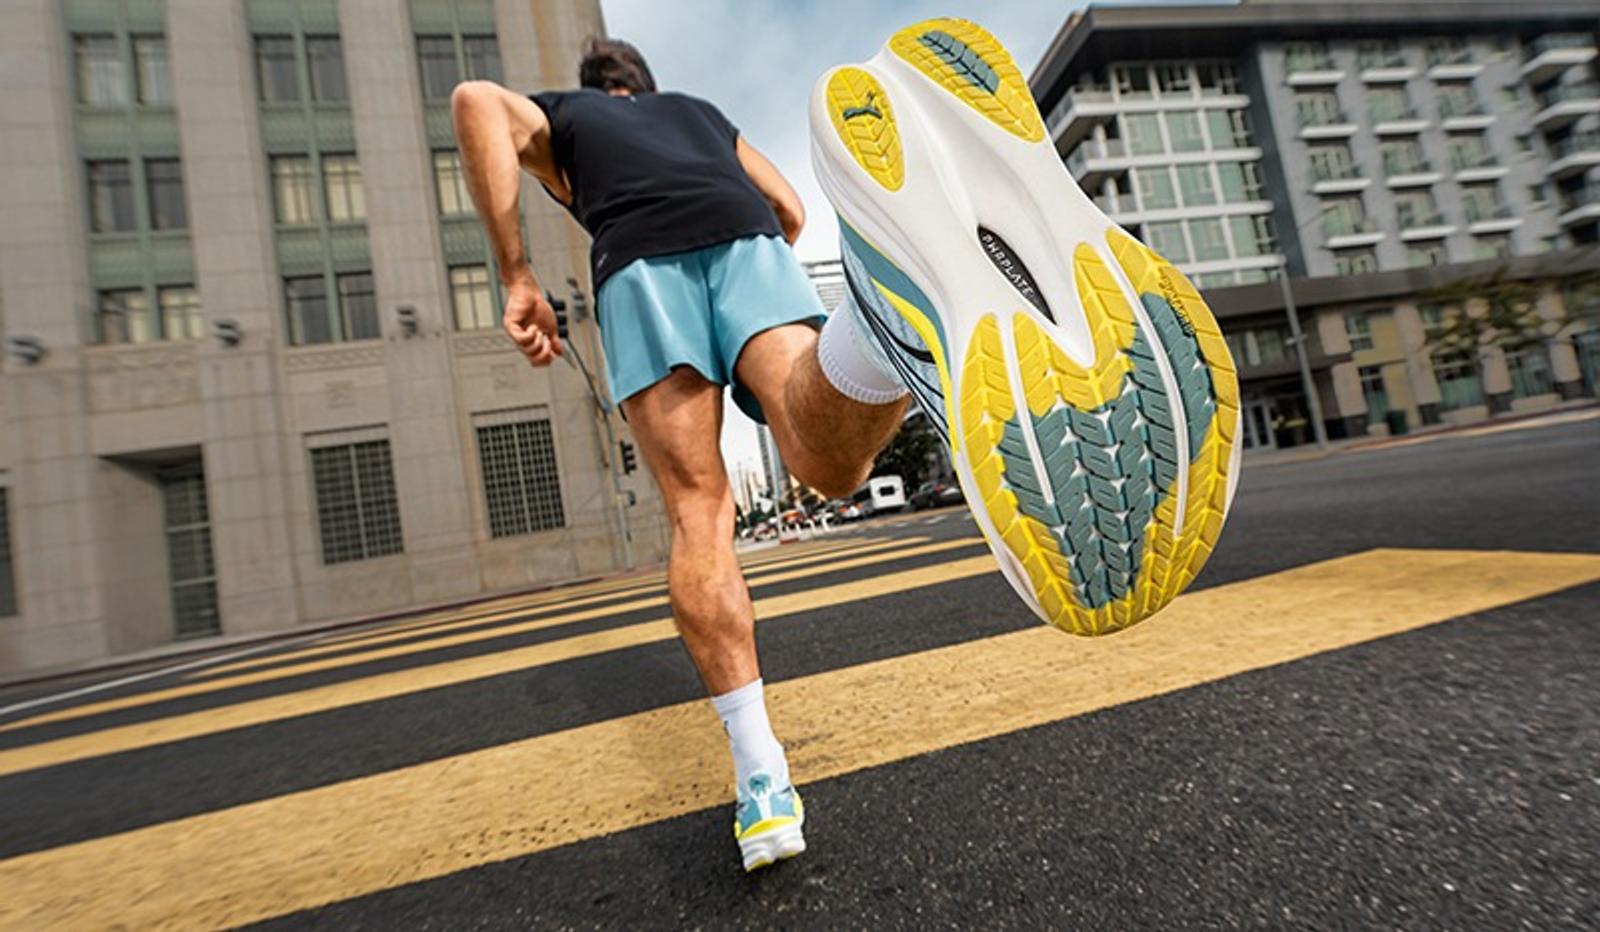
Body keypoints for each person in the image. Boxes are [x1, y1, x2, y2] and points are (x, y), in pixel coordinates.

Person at [451, 38, 911, 872]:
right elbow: (789, 211)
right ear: (646, 87)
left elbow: (475, 102)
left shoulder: (568, 115)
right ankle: (879, 337)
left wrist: (517, 271)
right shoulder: (702, 115)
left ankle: (762, 778)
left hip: (638, 265)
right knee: (826, 455)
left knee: (700, 512)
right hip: (746, 243)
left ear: (600, 91)